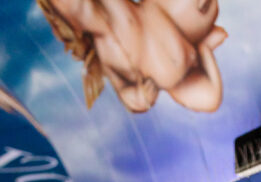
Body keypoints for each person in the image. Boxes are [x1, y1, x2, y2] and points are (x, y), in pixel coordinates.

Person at [38, 0, 227, 113]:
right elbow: (123, 91)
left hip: (172, 20)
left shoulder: (111, 5)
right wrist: (140, 97)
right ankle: (204, 48)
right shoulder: (107, 53)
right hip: (177, 70)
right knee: (209, 99)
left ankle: (201, 45)